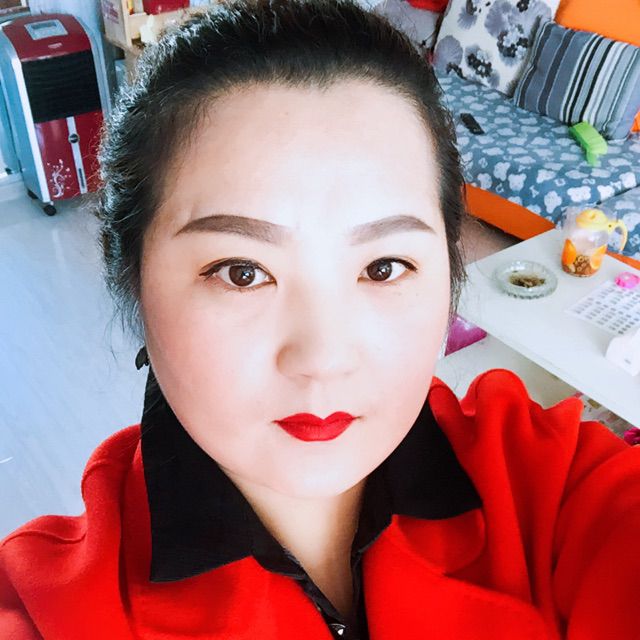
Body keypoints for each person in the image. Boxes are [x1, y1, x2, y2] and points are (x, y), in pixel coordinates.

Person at [1, 0, 639, 638]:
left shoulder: (548, 487)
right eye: (242, 271)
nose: (324, 359)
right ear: (132, 282)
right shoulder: (55, 609)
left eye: (384, 267)